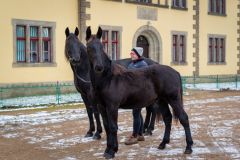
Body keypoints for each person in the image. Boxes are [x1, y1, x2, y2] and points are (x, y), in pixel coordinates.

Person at [125, 47, 148, 145]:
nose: (131, 55)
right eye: (130, 53)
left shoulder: (143, 65)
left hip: (140, 93)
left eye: (133, 53)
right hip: (132, 92)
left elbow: (144, 80)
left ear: (138, 55)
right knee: (137, 113)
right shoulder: (131, 64)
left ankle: (135, 135)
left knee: (136, 113)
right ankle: (140, 134)